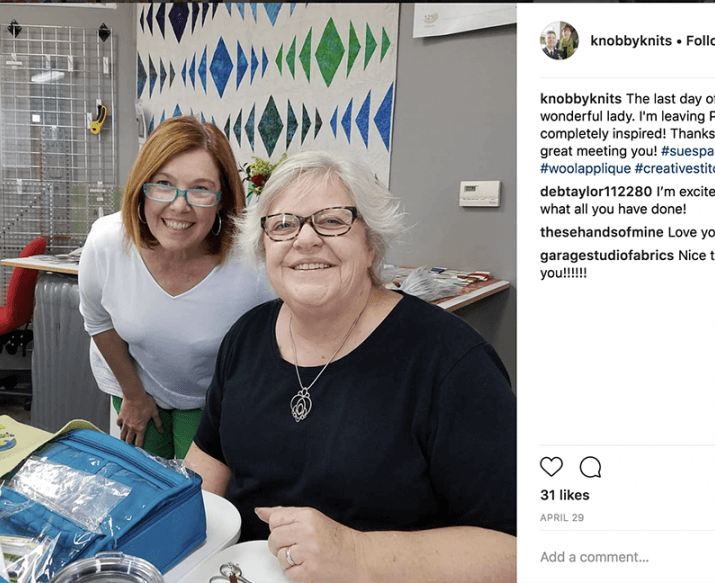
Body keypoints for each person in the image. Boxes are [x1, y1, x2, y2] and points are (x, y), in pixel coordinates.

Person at [185, 151, 517, 583]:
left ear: (371, 243)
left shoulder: (452, 364)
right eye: (283, 224)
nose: (304, 240)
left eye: (332, 220)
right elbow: (205, 470)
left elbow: (518, 552)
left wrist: (360, 555)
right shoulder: (246, 338)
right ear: (263, 245)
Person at [78, 116, 274, 459]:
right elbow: (98, 321)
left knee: (200, 497)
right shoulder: (107, 242)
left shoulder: (254, 261)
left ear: (222, 199)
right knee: (141, 486)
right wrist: (134, 394)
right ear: (141, 188)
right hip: (136, 383)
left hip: (212, 397)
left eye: (200, 188)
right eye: (163, 184)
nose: (179, 205)